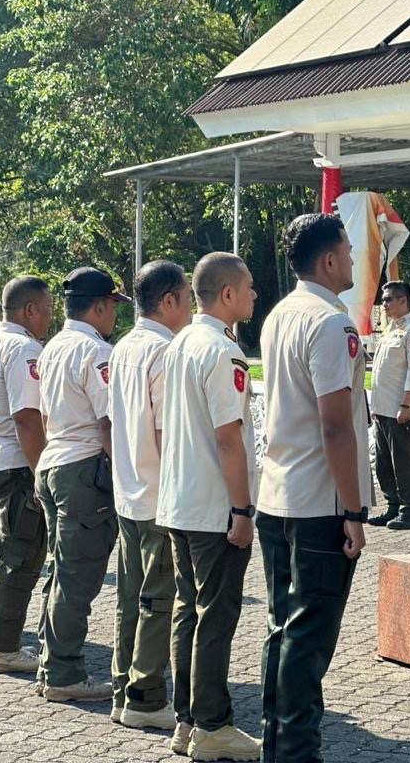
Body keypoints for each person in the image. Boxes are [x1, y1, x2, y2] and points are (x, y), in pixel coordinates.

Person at [257, 213, 370, 763]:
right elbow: (335, 424)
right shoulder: (331, 323)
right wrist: (353, 508)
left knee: (283, 628)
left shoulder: (281, 313)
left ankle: (279, 745)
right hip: (318, 502)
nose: (353, 260)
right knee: (307, 638)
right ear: (328, 261)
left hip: (278, 493)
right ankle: (296, 751)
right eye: (348, 251)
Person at [156, 252, 260, 761]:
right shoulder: (221, 351)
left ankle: (186, 720)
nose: (254, 295)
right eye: (249, 288)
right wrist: (243, 509)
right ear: (227, 295)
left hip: (179, 500)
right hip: (214, 504)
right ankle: (212, 725)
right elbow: (228, 439)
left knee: (188, 614)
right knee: (215, 616)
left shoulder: (180, 344)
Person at [35, 267, 130, 701]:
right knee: (78, 576)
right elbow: (109, 422)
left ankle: (51, 660)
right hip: (83, 469)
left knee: (60, 568)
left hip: (54, 463)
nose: (114, 315)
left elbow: (41, 414)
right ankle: (63, 673)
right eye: (112, 306)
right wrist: (123, 475)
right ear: (98, 306)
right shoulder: (96, 352)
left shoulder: (52, 346)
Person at [108, 260, 192, 731]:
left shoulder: (123, 346)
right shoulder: (165, 351)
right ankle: (145, 696)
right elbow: (166, 433)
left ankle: (125, 689)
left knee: (132, 597)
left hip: (128, 489)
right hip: (159, 493)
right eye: (186, 297)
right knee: (159, 601)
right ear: (170, 301)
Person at [0, 276, 53, 674]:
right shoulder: (24, 349)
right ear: (29, 310)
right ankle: (4, 647)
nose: (50, 318)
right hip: (18, 464)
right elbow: (27, 418)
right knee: (19, 557)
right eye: (48, 309)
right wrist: (41, 475)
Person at [368, 280, 410, 530]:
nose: (384, 304)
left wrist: (405, 404)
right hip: (382, 409)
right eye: (384, 300)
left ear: (403, 300)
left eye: (388, 299)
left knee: (402, 463)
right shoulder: (390, 330)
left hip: (400, 409)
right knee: (384, 463)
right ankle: (392, 506)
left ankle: (408, 511)